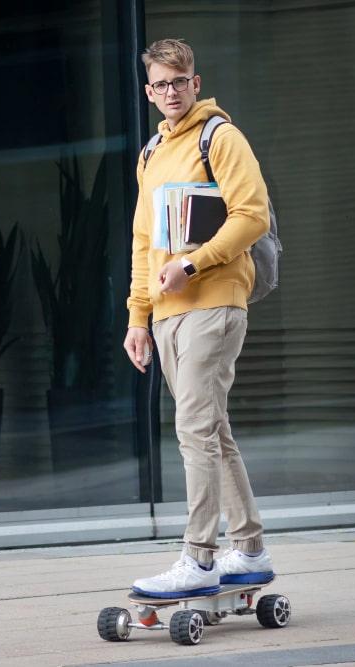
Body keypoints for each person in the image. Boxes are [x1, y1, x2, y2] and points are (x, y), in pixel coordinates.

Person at [124, 39, 273, 597]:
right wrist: (138, 317)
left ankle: (200, 557)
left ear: (195, 81)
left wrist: (193, 261)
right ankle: (250, 549)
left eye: (179, 81)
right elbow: (143, 242)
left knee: (193, 432)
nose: (170, 92)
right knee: (213, 431)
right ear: (148, 91)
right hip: (166, 314)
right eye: (160, 84)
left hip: (214, 304)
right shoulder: (150, 154)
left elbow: (252, 216)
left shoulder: (220, 137)